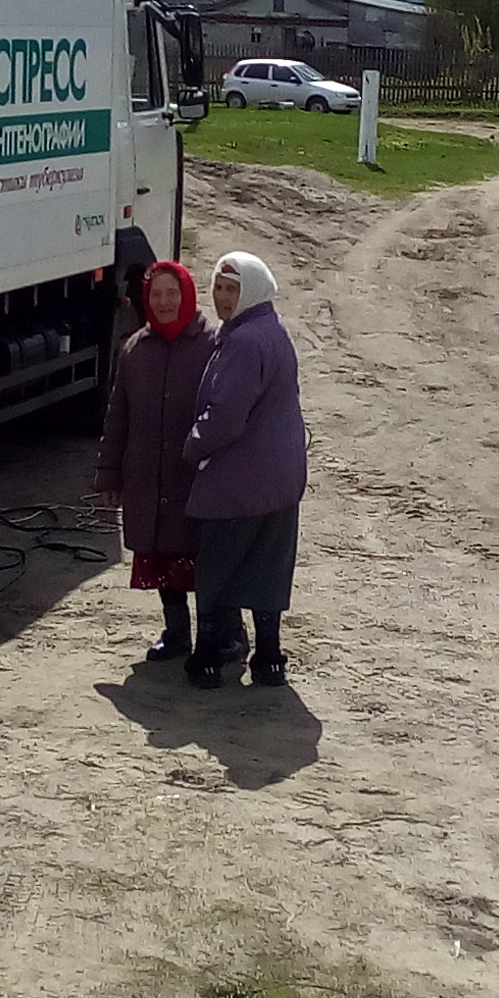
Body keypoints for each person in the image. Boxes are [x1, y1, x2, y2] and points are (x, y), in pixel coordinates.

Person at [179, 251, 306, 689]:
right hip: (282, 482)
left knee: (217, 570)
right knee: (268, 569)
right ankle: (270, 658)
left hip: (239, 484)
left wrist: (193, 447)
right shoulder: (273, 331)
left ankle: (208, 657)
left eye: (232, 289)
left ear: (251, 291)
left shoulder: (243, 341)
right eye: (218, 287)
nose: (222, 298)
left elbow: (226, 416)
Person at [93, 259, 218, 661]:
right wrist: (109, 474)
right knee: (163, 556)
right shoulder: (135, 349)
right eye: (156, 294)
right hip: (149, 477)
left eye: (172, 293)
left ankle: (223, 636)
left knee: (208, 560)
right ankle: (176, 633)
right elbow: (118, 418)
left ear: (187, 295)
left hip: (196, 480)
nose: (164, 302)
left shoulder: (213, 345)